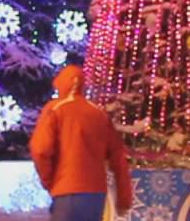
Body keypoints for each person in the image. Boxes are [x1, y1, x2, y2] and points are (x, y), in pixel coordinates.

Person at [30, 65, 133, 220]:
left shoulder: (55, 109)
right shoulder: (99, 114)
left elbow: (40, 150)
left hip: (65, 189)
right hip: (96, 193)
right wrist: (124, 199)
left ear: (60, 84)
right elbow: (118, 158)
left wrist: (49, 182)